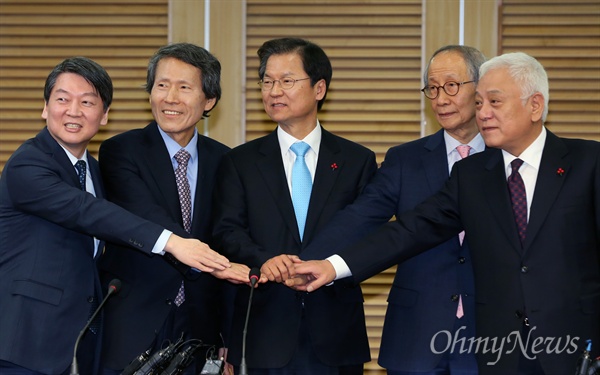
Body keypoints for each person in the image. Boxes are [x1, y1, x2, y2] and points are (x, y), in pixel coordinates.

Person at [291, 52, 600, 375]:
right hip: (498, 353)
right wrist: (332, 266)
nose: (484, 113)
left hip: (573, 349)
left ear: (535, 105)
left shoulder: (589, 163)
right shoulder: (474, 174)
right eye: (479, 103)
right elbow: (412, 228)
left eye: (494, 102)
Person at [0, 57, 231, 375]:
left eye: (87, 102)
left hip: (78, 346)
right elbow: (87, 211)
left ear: (104, 114)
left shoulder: (92, 171)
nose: (74, 111)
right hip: (26, 344)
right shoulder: (28, 164)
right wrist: (171, 241)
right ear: (45, 107)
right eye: (63, 99)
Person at [297, 45, 485, 375]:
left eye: (452, 86)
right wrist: (302, 260)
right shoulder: (406, 160)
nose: (440, 99)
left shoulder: (508, 160)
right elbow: (361, 218)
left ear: (481, 88)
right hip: (417, 336)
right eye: (433, 88)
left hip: (492, 334)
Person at [211, 37, 376, 374]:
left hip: (335, 333)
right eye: (267, 81)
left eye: (287, 81)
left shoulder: (357, 160)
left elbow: (369, 237)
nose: (274, 91)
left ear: (319, 89)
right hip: (262, 332)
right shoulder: (239, 161)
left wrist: (330, 266)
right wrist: (264, 261)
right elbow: (226, 231)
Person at [97, 43, 248, 374]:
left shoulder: (227, 161)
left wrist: (229, 340)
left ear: (209, 100)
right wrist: (213, 264)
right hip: (134, 323)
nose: (170, 97)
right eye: (162, 85)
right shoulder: (120, 150)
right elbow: (145, 216)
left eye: (184, 87)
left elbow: (229, 239)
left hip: (202, 331)